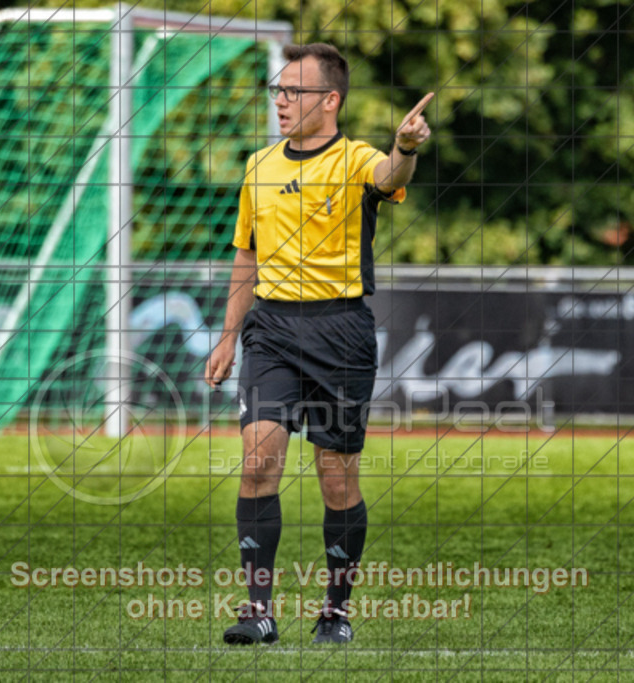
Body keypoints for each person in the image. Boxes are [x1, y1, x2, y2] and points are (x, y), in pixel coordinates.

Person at [204, 42, 431, 646]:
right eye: (277, 91)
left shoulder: (358, 159)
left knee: (337, 482)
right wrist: (228, 337)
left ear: (329, 100)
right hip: (272, 330)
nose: (280, 102)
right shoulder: (259, 166)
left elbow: (391, 176)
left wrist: (405, 147)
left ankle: (335, 610)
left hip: (342, 333)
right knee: (257, 464)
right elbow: (245, 258)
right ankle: (258, 612)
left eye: (293, 92)